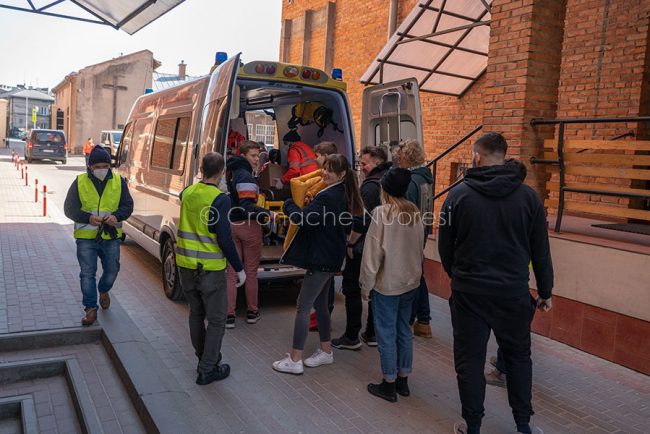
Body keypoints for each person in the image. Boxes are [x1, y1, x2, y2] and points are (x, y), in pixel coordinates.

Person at [438, 133, 553, 434]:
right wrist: (545, 291)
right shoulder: (528, 198)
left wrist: (458, 276)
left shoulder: (458, 195)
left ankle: (473, 425)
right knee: (518, 357)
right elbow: (540, 249)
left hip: (469, 293)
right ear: (504, 155)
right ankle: (523, 425)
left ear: (477, 155)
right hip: (513, 293)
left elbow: (444, 246)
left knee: (469, 361)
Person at [272, 154, 363, 375]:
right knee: (321, 304)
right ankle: (326, 351)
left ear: (341, 174)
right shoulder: (342, 192)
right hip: (331, 257)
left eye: (330, 170)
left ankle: (295, 359)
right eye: (324, 168)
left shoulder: (329, 196)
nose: (324, 173)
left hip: (321, 259)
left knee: (303, 306)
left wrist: (288, 205)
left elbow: (303, 219)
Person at [176, 152, 246, 386]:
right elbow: (224, 238)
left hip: (186, 265)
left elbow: (185, 195)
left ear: (202, 170)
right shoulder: (221, 199)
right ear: (223, 173)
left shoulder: (188, 192)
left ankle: (203, 359)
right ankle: (208, 368)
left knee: (196, 314)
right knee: (216, 320)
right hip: (211, 269)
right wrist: (239, 268)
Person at [360, 167, 424, 402]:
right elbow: (419, 247)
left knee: (386, 333)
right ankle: (403, 380)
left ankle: (388, 384)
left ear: (384, 188)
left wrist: (365, 286)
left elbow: (371, 256)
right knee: (403, 330)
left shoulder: (381, 213)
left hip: (387, 284)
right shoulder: (414, 211)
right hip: (410, 282)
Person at [64, 146, 133, 326]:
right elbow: (69, 208)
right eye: (98, 166)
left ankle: (103, 289)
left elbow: (128, 205)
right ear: (90, 167)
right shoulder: (79, 182)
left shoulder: (119, 181)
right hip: (86, 237)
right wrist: (88, 218)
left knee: (112, 270)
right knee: (87, 273)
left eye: (105, 165)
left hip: (110, 236)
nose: (102, 169)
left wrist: (116, 216)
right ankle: (90, 309)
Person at [332, 146, 391, 350]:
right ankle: (372, 333)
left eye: (364, 163)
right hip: (384, 244)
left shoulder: (370, 187)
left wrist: (350, 242)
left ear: (377, 162)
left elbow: (361, 219)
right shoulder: (389, 180)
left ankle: (351, 336)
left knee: (352, 288)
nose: (362, 167)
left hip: (363, 246)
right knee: (375, 288)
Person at [485, 158, 529, 389]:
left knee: (507, 332)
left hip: (499, 277)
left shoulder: (497, 200)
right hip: (518, 278)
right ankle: (503, 363)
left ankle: (502, 368)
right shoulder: (529, 200)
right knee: (513, 330)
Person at [225, 141, 275, 329]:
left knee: (232, 273)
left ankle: (229, 315)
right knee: (251, 271)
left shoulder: (231, 172)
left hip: (232, 224)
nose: (257, 159)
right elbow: (246, 205)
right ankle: (252, 312)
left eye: (258, 155)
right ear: (243, 155)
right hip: (248, 226)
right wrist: (267, 213)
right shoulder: (245, 174)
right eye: (253, 155)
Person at [395, 140, 434, 338]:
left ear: (405, 158)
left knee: (413, 278)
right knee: (418, 275)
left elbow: (406, 213)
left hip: (411, 235)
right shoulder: (426, 179)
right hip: (423, 230)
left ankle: (412, 319)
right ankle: (424, 320)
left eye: (400, 158)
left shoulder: (411, 182)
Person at [308, 141, 339, 331]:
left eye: (318, 155)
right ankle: (321, 314)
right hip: (328, 241)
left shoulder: (329, 186)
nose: (315, 158)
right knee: (327, 281)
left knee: (325, 281)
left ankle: (322, 316)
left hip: (325, 241)